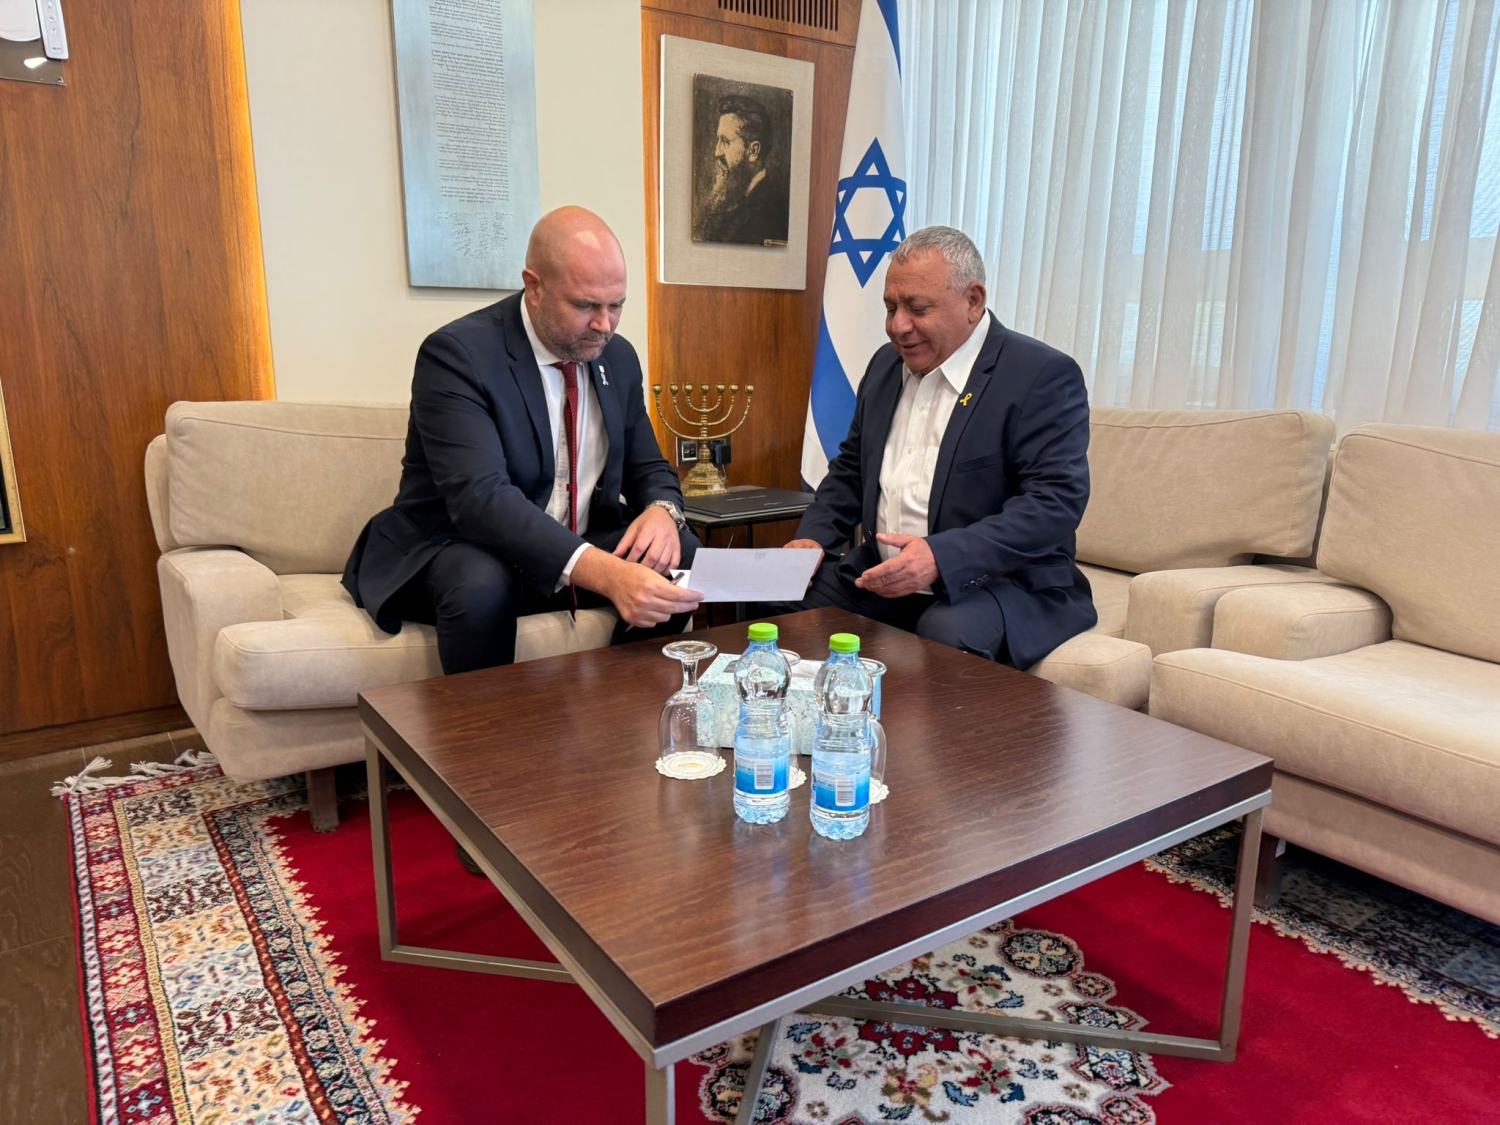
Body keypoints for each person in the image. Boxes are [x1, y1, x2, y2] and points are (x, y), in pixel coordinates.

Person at [343, 206, 702, 678]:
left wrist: (662, 511)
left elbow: (648, 467)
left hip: (572, 541)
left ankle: (619, 700)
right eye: (585, 306)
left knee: (682, 552)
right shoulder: (458, 355)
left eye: (616, 305)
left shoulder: (618, 358)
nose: (605, 325)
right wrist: (607, 573)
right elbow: (481, 500)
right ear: (534, 287)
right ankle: (486, 725)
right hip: (459, 545)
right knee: (480, 584)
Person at [781, 226, 1096, 669]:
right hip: (887, 581)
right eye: (890, 307)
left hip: (1002, 584)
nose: (898, 326)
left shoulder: (1040, 375)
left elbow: (1054, 503)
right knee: (778, 599)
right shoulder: (885, 365)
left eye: (917, 308)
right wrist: (813, 538)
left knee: (943, 636)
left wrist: (940, 557)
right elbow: (852, 469)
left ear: (973, 301)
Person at [698, 94, 790, 247]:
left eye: (725, 141)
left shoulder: (772, 214)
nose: (717, 152)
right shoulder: (728, 200)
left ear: (753, 151)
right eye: (718, 140)